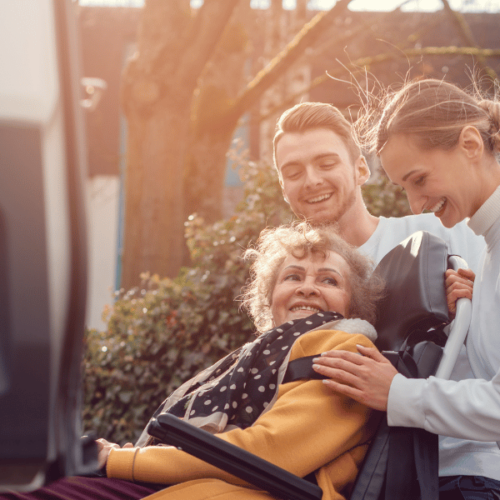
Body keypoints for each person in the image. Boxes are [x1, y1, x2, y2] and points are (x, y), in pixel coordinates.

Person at [2, 223, 384, 500]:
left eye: (329, 281)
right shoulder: (257, 356)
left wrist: (116, 460)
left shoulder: (344, 347)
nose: (307, 287)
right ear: (270, 298)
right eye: (293, 276)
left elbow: (271, 452)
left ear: (353, 304)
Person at [312, 79, 500, 499]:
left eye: (419, 179)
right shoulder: (488, 255)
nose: (416, 204)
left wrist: (397, 392)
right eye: (404, 189)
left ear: (471, 144)